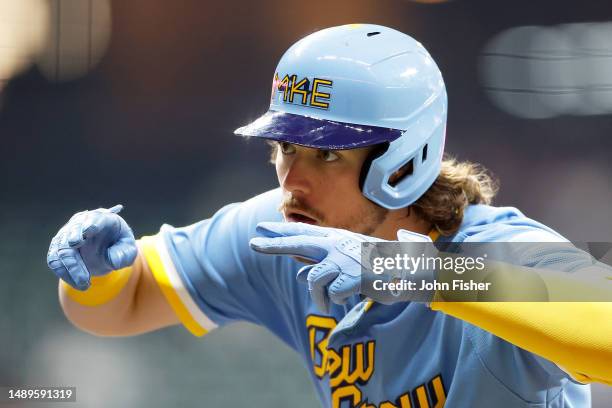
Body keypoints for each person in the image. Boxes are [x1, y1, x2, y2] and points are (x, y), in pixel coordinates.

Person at [47, 24, 612, 407]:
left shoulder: (494, 250)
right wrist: (101, 275)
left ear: (400, 163)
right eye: (286, 148)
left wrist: (410, 272)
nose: (293, 180)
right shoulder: (284, 231)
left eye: (327, 155)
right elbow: (123, 306)